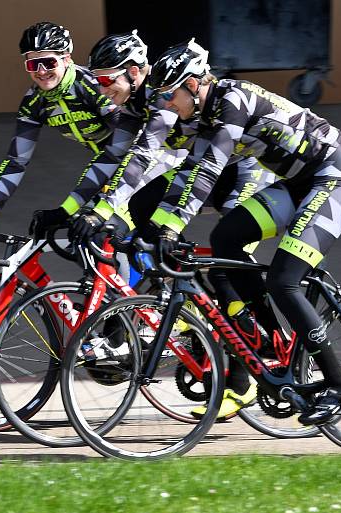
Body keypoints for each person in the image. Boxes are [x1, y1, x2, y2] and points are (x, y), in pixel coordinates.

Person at [144, 39, 341, 425]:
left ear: (194, 84)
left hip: (337, 177)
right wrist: (160, 224)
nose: (168, 104)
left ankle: (339, 383)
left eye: (171, 95)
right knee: (226, 239)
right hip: (300, 182)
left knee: (285, 280)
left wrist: (173, 226)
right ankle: (267, 335)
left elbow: (210, 168)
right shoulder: (208, 113)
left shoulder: (232, 100)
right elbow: (187, 173)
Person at [80, 36, 283, 419]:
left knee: (225, 266)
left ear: (135, 73)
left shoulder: (159, 97)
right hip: (208, 168)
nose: (101, 92)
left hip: (241, 171)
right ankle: (191, 300)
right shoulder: (130, 103)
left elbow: (142, 156)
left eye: (107, 82)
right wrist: (79, 207)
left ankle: (243, 379)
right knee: (144, 208)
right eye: (96, 83)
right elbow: (112, 160)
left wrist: (106, 210)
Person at [0, 22, 141, 245]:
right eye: (32, 64)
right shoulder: (34, 103)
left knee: (102, 236)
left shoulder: (93, 85)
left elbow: (129, 143)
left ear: (66, 58)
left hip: (140, 162)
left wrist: (66, 209)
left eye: (48, 62)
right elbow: (15, 162)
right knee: (80, 240)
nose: (41, 71)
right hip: (107, 167)